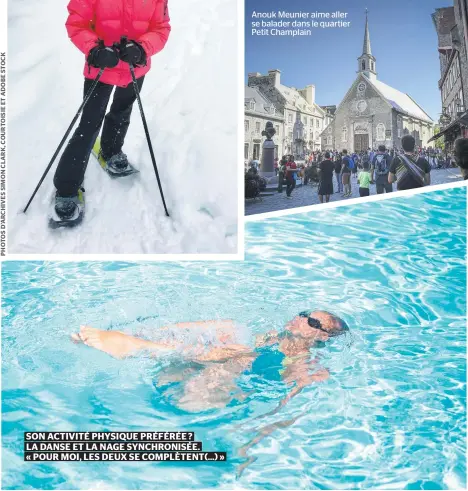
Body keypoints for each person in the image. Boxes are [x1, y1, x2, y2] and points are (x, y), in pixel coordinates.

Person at [52, 0, 171, 219]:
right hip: (101, 65)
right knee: (89, 124)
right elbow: (76, 23)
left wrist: (142, 48)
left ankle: (111, 149)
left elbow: (161, 28)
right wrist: (94, 49)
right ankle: (67, 187)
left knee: (122, 111)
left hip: (135, 66)